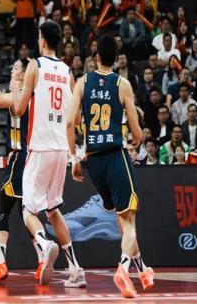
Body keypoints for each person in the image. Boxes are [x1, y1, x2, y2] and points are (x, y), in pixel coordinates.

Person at [66, 35, 154, 298]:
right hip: (116, 156)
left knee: (122, 218)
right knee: (130, 221)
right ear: (116, 59)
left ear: (96, 58)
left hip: (93, 161)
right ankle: (123, 268)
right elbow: (136, 131)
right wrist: (136, 139)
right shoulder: (122, 84)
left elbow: (71, 123)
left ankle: (143, 270)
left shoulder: (82, 82)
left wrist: (74, 159)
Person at [6, 21, 86, 287]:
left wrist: (15, 87)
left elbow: (18, 109)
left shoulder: (35, 66)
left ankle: (43, 242)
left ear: (41, 40)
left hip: (39, 147)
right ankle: (75, 269)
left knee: (28, 211)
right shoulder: (66, 71)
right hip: (61, 149)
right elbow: (76, 119)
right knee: (53, 209)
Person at [0, 56, 45, 285]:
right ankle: (43, 257)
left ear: (23, 75)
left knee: (2, 205)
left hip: (19, 157)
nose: (12, 71)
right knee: (26, 212)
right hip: (34, 159)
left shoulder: (20, 95)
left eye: (15, 68)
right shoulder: (37, 97)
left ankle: (2, 263)